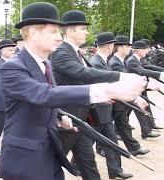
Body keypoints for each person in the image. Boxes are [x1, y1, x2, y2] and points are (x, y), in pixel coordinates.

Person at [0, 3, 146, 180]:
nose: (60, 38)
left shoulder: (47, 65)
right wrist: (106, 90)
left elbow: (47, 98)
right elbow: (43, 94)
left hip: (49, 151)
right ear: (33, 33)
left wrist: (59, 117)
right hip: (26, 158)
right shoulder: (12, 67)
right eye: (53, 32)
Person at [50, 10, 143, 180]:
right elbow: (83, 73)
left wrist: (107, 94)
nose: (87, 32)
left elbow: (89, 78)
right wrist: (121, 76)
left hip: (80, 120)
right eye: (83, 28)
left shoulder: (76, 52)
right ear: (70, 30)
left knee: (89, 165)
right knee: (49, 166)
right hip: (65, 120)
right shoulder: (61, 51)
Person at [89, 32, 133, 179]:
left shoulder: (103, 61)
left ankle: (115, 171)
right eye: (113, 44)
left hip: (105, 110)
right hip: (97, 110)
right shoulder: (96, 62)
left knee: (111, 141)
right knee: (85, 142)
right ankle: (75, 164)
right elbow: (104, 86)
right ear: (109, 46)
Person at [108, 35, 150, 156]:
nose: (129, 49)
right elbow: (123, 82)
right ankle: (133, 148)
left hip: (121, 99)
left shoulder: (121, 61)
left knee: (121, 125)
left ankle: (134, 148)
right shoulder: (115, 63)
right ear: (120, 48)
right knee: (105, 127)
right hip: (117, 99)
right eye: (127, 46)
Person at [0, 39, 16, 157]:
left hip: (11, 103)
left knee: (10, 127)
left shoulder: (14, 64)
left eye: (13, 50)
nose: (13, 52)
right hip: (0, 103)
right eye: (10, 50)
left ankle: (7, 147)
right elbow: (6, 83)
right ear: (2, 51)